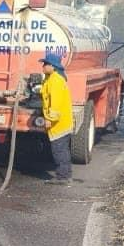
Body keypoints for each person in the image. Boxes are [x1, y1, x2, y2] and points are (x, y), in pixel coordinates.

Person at [40, 52, 74, 186]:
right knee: (61, 149)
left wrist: (50, 119)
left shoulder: (56, 81)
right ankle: (65, 174)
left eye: (45, 64)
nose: (43, 66)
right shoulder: (51, 78)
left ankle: (63, 176)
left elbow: (56, 103)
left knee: (59, 150)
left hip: (59, 124)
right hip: (61, 123)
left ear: (53, 66)